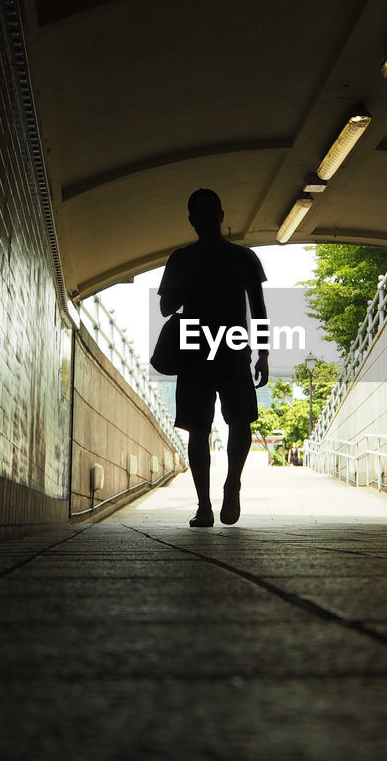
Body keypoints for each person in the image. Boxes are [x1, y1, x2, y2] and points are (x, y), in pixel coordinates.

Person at [159, 189, 269, 526]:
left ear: (192, 221)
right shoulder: (244, 257)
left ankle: (205, 506)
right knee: (239, 421)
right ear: (222, 216)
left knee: (198, 429)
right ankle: (231, 485)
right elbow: (259, 309)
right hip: (235, 350)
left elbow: (166, 308)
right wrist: (263, 353)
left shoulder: (181, 259)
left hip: (195, 354)